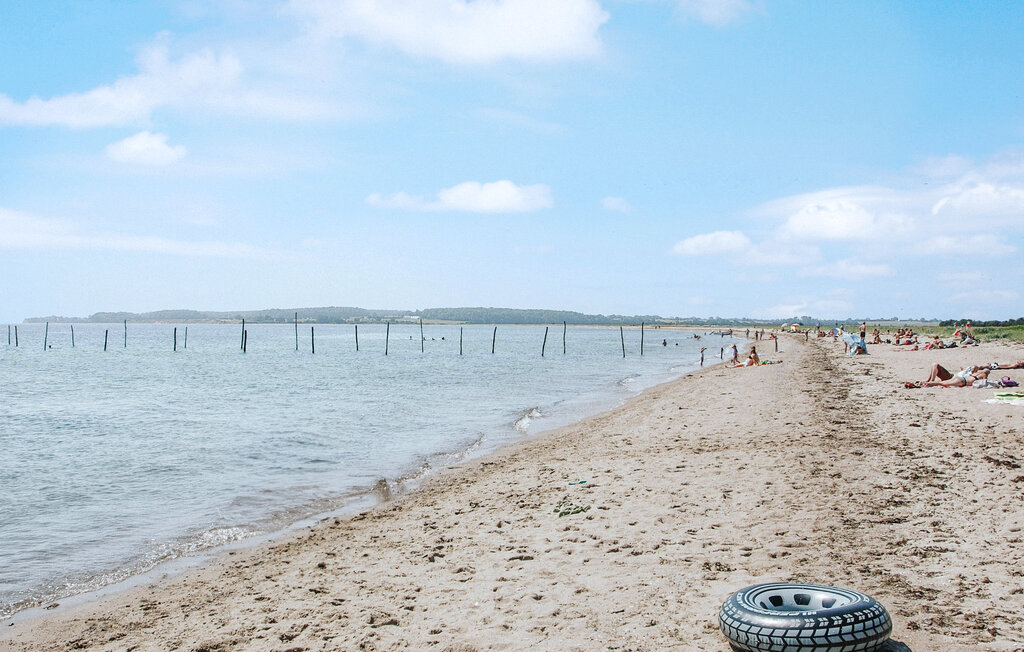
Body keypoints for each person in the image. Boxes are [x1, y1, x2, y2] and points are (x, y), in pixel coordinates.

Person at [919, 364, 988, 387]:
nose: (971, 368)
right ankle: (929, 381)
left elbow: (984, 381)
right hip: (955, 378)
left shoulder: (973, 374)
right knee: (934, 364)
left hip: (956, 379)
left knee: (941, 383)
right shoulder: (969, 372)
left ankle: (929, 382)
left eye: (973, 368)